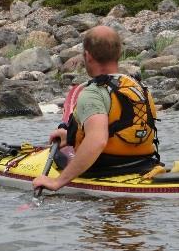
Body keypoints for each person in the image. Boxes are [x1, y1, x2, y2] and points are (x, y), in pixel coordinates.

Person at [33, 25, 160, 192]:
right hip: (144, 163)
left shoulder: (93, 93)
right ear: (119, 54)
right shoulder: (137, 86)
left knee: (59, 156)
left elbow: (97, 140)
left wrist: (57, 182)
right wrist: (71, 136)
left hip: (105, 169)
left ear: (87, 55)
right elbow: (120, 124)